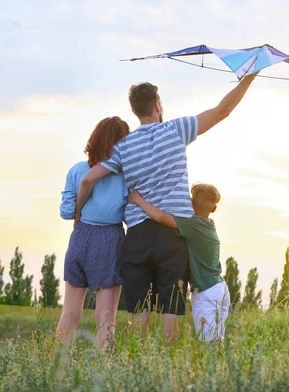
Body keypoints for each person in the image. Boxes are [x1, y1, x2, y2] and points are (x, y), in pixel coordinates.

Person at [75, 73, 258, 343]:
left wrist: (78, 214)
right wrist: (249, 78)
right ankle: (164, 372)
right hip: (172, 237)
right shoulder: (176, 129)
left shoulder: (123, 148)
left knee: (139, 313)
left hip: (137, 237)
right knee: (169, 310)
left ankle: (138, 372)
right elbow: (223, 110)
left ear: (134, 110)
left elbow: (89, 179)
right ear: (157, 105)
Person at [57, 116, 130, 348]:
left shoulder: (77, 170)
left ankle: (55, 366)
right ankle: (104, 375)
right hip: (109, 239)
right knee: (105, 320)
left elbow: (67, 211)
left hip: (79, 238)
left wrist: (80, 209)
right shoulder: (125, 175)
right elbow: (130, 214)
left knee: (69, 315)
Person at [129, 183, 229, 342]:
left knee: (209, 342)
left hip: (206, 291)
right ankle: (221, 366)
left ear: (190, 204)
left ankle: (212, 367)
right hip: (220, 287)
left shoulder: (192, 225)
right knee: (217, 339)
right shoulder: (209, 224)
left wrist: (138, 200)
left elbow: (160, 217)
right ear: (214, 209)